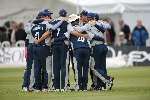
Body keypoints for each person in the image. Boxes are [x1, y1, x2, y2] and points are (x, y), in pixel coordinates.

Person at [74, 12, 114, 90]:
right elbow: (109, 26)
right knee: (103, 66)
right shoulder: (101, 22)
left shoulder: (88, 24)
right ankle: (102, 86)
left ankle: (106, 79)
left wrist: (73, 26)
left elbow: (79, 29)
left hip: (96, 47)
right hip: (104, 46)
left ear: (91, 18)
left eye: (88, 17)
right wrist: (98, 23)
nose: (87, 19)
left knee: (96, 67)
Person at [70, 10, 91, 91]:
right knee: (85, 69)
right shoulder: (86, 27)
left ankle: (79, 86)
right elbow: (89, 36)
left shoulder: (71, 27)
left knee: (78, 69)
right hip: (86, 49)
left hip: (77, 49)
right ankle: (85, 87)